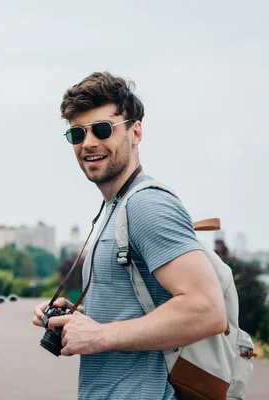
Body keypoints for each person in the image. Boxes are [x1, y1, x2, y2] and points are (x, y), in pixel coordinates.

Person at [32, 72, 227, 399]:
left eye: (103, 129)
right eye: (77, 133)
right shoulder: (115, 206)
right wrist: (80, 318)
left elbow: (207, 310)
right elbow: (138, 307)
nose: (89, 143)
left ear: (135, 131)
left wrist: (100, 335)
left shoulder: (147, 205)